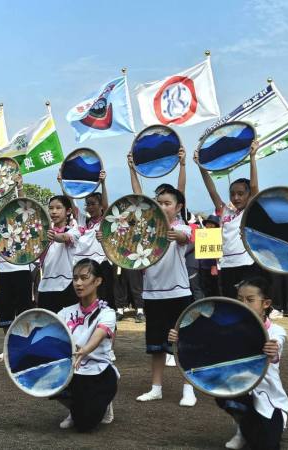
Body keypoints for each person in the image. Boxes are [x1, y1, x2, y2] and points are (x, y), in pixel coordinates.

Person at [169, 276, 288, 449]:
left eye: (250, 300)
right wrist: (180, 337)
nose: (243, 303)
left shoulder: (277, 331)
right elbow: (202, 342)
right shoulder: (231, 327)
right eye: (240, 299)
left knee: (267, 444)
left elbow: (276, 343)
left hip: (270, 400)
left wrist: (273, 348)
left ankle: (250, 429)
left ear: (266, 304)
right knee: (222, 386)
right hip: (239, 392)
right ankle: (242, 427)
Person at [124, 150, 197, 407]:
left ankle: (189, 388)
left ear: (178, 208)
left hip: (178, 293)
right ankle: (156, 387)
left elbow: (185, 235)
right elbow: (138, 200)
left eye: (167, 203)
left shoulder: (182, 228)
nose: (161, 205)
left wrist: (183, 165)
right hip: (152, 294)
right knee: (155, 345)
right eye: (159, 202)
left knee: (183, 343)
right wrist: (132, 169)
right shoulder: (147, 228)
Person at [56, 259, 118, 431]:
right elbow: (48, 336)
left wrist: (84, 351)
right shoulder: (65, 312)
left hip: (100, 373)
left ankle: (104, 403)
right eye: (75, 278)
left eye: (84, 278)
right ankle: (74, 409)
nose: (78, 283)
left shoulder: (107, 313)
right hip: (73, 372)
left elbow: (98, 336)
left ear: (97, 281)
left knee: (85, 426)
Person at [195, 141, 261, 298]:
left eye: (240, 193)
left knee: (247, 304)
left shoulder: (249, 210)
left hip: (247, 265)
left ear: (248, 195)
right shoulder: (224, 211)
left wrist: (252, 157)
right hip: (226, 266)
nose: (236, 197)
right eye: (232, 193)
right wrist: (201, 166)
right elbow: (211, 189)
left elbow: (254, 187)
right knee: (230, 303)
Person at [0, 192, 32, 360]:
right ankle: (9, 347)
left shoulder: (25, 225)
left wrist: (19, 186)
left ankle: (24, 347)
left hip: (22, 271)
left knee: (23, 312)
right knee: (5, 312)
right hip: (3, 273)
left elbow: (25, 203)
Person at [71, 171, 112, 309]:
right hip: (84, 268)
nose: (90, 207)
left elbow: (107, 206)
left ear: (101, 206)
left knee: (103, 302)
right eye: (87, 204)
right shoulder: (83, 221)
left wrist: (103, 183)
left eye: (93, 204)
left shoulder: (106, 221)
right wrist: (63, 184)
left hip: (101, 267)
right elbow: (72, 205)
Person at [37, 195, 78, 313]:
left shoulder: (73, 231)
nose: (54, 212)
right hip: (45, 286)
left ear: (68, 211)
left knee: (69, 327)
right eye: (51, 208)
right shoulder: (41, 233)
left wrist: (54, 236)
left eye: (58, 208)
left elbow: (64, 237)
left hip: (67, 285)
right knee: (48, 328)